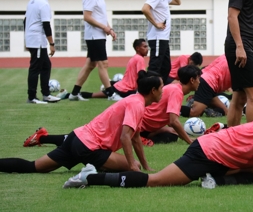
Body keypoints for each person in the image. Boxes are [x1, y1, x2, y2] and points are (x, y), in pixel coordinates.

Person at [63, 98, 253, 189]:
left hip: (221, 157)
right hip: (208, 151)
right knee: (155, 181)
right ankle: (90, 178)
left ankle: (213, 180)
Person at [2, 71, 163, 174]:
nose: (163, 91)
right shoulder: (137, 104)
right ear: (153, 90)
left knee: (33, 167)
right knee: (132, 166)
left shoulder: (135, 100)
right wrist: (134, 167)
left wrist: (146, 165)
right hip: (88, 147)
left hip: (76, 138)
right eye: (162, 88)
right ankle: (96, 169)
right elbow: (125, 137)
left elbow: (135, 138)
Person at [69, 0, 117, 101]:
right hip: (94, 36)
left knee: (90, 64)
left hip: (99, 34)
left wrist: (109, 28)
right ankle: (111, 93)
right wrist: (104, 28)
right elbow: (87, 17)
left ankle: (74, 93)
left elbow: (100, 15)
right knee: (103, 63)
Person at [140, 66, 202, 146]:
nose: (199, 82)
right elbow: (174, 121)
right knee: (170, 136)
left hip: (148, 126)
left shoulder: (176, 89)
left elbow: (170, 120)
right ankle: (139, 138)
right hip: (142, 125)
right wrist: (190, 141)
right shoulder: (177, 91)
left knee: (173, 134)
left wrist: (183, 135)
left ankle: (141, 137)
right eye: (198, 79)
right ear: (192, 80)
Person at [71, 39, 149, 101]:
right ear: (138, 48)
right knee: (144, 95)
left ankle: (75, 94)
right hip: (126, 89)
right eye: (144, 47)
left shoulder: (134, 58)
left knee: (95, 95)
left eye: (147, 46)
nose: (147, 49)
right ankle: (108, 87)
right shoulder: (140, 59)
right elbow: (141, 75)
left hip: (120, 86)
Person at [142, 0, 181, 86]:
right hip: (158, 37)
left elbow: (177, 2)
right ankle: (146, 91)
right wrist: (156, 23)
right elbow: (145, 9)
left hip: (163, 38)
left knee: (165, 67)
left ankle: (159, 90)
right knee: (155, 66)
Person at [24, 0, 60, 104]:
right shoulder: (43, 3)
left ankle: (46, 94)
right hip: (37, 40)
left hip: (32, 38)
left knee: (46, 65)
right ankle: (32, 97)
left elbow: (25, 21)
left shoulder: (32, 1)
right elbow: (46, 25)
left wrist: (26, 39)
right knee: (35, 67)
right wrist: (52, 44)